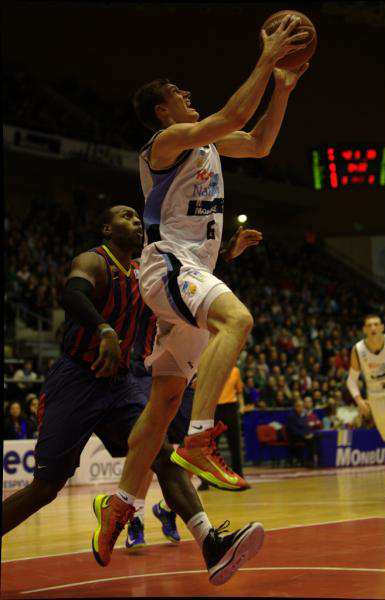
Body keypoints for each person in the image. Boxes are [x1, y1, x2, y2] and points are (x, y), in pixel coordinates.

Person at [90, 15, 310, 565]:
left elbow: (258, 141)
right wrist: (266, 57)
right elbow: (236, 114)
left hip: (190, 268)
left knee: (164, 400)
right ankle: (201, 440)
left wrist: (280, 90)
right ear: (163, 111)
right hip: (166, 267)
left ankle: (119, 502)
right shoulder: (165, 143)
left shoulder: (209, 144)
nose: (187, 94)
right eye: (177, 92)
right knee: (237, 320)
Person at [2, 205, 265, 586]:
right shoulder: (93, 261)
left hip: (121, 383)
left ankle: (211, 544)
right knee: (45, 488)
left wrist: (225, 253)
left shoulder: (148, 271)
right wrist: (105, 330)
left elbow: (185, 284)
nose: (135, 221)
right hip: (77, 378)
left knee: (163, 455)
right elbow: (72, 295)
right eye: (126, 216)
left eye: (136, 217)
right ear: (107, 227)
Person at [346, 314, 385, 499]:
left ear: (382, 327)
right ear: (364, 330)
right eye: (369, 325)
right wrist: (359, 400)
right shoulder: (358, 349)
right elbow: (351, 381)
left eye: (376, 324)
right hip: (377, 398)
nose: (373, 328)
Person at [198, 365, 245, 491]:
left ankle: (239, 477)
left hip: (231, 407)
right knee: (210, 446)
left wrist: (242, 406)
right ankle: (206, 481)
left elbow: (239, 391)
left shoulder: (235, 371)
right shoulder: (212, 370)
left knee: (235, 444)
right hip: (215, 408)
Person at [286, 399, 319, 467]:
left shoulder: (304, 415)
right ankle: (309, 461)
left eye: (302, 406)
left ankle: (311, 460)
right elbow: (293, 430)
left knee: (314, 438)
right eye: (299, 406)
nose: (301, 408)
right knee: (310, 440)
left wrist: (309, 434)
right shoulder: (291, 416)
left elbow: (306, 426)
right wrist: (304, 435)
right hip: (294, 437)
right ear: (295, 407)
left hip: (303, 436)